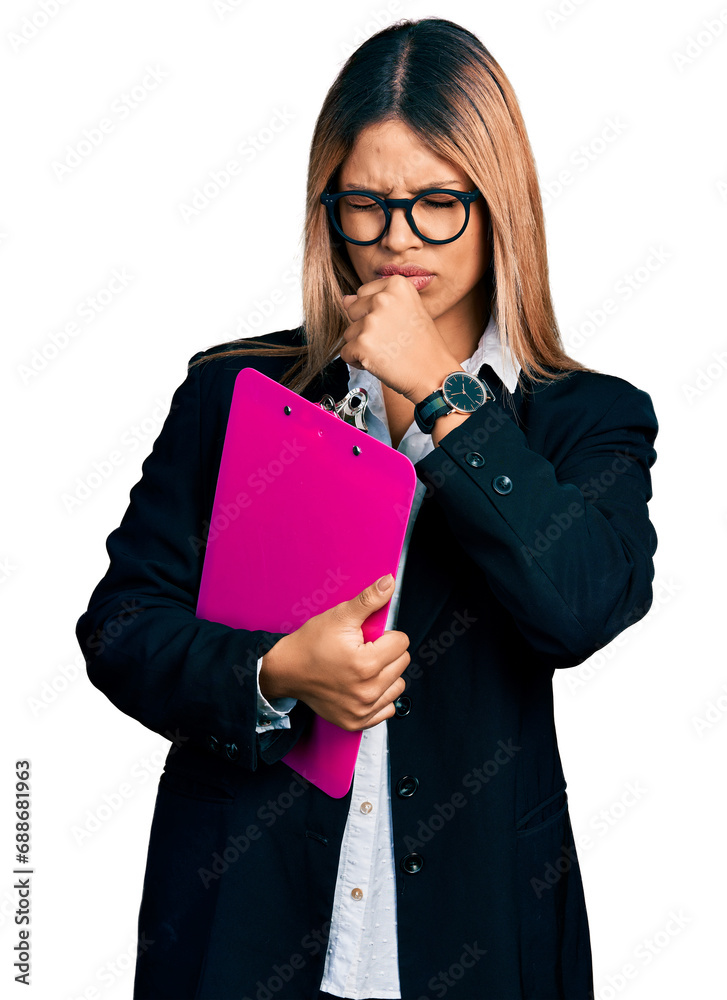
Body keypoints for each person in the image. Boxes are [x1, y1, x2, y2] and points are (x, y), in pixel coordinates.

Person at [75, 16, 658, 1000]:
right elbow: (123, 626)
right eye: (365, 205)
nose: (395, 243)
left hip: (470, 934)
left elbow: (582, 605)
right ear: (327, 207)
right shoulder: (236, 395)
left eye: (435, 203)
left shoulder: (585, 418)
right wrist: (269, 673)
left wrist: (445, 399)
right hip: (244, 927)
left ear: (497, 203)